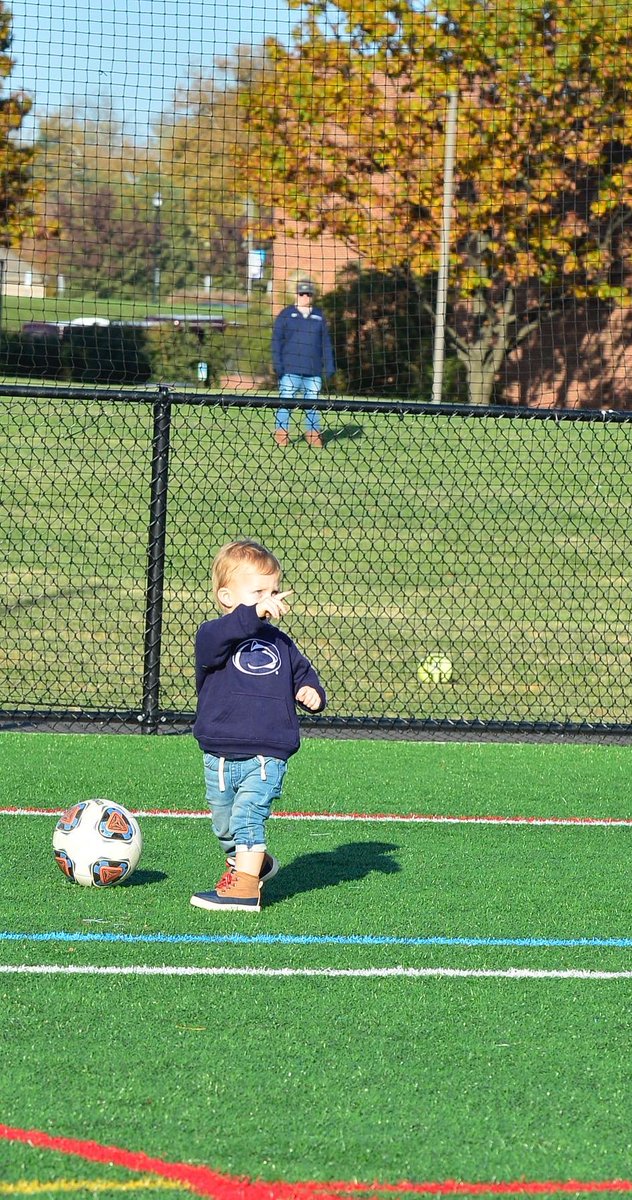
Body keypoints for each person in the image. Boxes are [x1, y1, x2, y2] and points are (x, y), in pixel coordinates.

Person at [190, 538, 325, 912]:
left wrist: (311, 692)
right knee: (225, 825)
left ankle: (245, 889)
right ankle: (254, 864)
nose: (271, 600)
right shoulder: (212, 636)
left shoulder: (281, 643)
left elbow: (304, 674)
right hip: (218, 753)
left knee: (249, 814)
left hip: (267, 752)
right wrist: (251, 615)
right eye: (259, 592)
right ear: (227, 597)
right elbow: (220, 636)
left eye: (275, 591)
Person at [270, 279, 335, 447]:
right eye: (302, 293)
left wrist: (329, 366)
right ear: (296, 294)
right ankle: (281, 435)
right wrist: (278, 365)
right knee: (286, 403)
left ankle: (313, 436)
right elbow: (276, 341)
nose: (305, 297)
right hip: (290, 370)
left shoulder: (319, 316)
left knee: (312, 405)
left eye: (308, 294)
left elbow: (325, 343)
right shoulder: (286, 314)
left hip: (313, 371)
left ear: (312, 296)